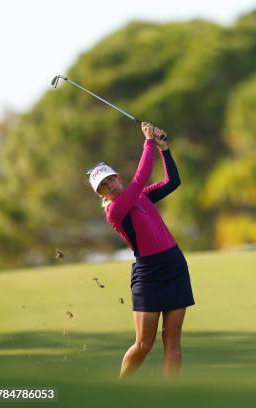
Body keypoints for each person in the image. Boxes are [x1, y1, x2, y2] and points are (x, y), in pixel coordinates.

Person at [86, 122, 195, 379]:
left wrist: (164, 149)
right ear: (100, 194)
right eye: (103, 186)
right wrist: (148, 141)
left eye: (110, 179)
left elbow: (172, 181)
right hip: (149, 275)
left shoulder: (141, 197)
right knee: (144, 345)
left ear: (117, 177)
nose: (110, 186)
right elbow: (141, 176)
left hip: (174, 266)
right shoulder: (115, 211)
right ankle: (120, 390)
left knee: (172, 338)